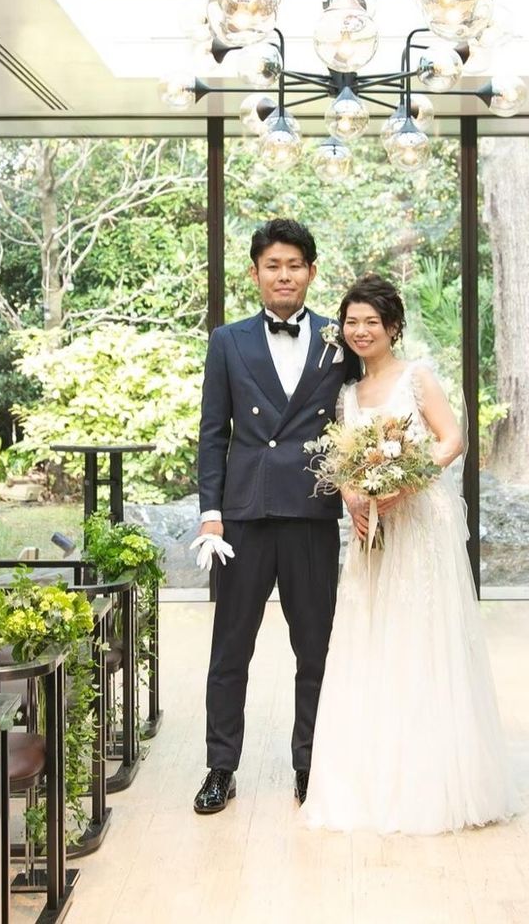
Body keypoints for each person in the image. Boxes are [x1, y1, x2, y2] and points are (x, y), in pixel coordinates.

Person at [301, 274, 514, 834]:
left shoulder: (417, 377)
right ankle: (370, 780)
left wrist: (406, 481)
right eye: (351, 322)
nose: (360, 330)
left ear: (393, 327)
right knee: (372, 638)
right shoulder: (347, 395)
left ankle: (430, 782)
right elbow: (344, 461)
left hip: (419, 525)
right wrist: (354, 495)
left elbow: (452, 440)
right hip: (372, 530)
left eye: (371, 321)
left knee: (419, 639)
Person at [191, 218, 360, 815]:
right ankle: (220, 767)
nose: (283, 275)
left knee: (314, 647)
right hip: (244, 514)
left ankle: (309, 764)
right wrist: (210, 514)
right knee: (230, 647)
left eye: (294, 266)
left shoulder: (340, 340)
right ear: (255, 273)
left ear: (311, 272)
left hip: (312, 511)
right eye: (273, 266)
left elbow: (359, 420)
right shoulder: (228, 340)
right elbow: (213, 434)